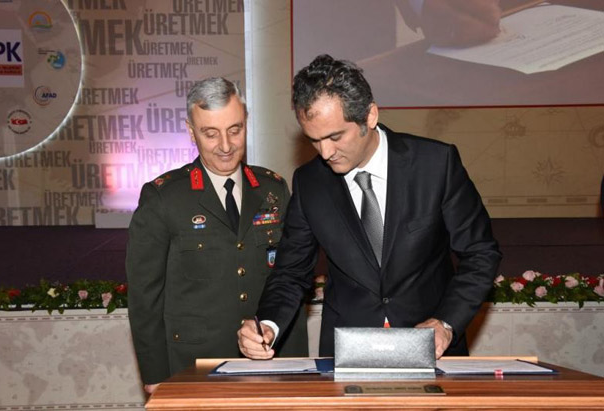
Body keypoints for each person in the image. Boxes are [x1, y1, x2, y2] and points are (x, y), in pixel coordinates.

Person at [238, 54, 502, 360]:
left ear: (370, 116)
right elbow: (290, 272)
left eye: (335, 136)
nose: (325, 152)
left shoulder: (435, 165)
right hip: (347, 353)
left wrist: (445, 322)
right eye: (314, 140)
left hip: (433, 348)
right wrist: (268, 325)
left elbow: (480, 253)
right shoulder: (310, 183)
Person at [126, 77, 307, 394]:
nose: (225, 145)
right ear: (191, 131)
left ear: (246, 122)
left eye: (235, 130)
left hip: (270, 362)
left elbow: (289, 274)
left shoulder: (273, 189)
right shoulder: (164, 198)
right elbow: (145, 297)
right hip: (195, 366)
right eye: (210, 133)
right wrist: (155, 375)